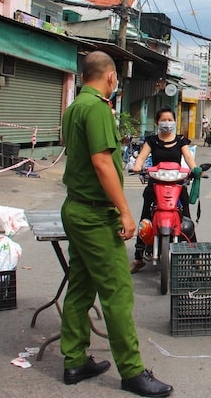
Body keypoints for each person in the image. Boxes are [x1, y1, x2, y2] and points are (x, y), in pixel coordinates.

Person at [60, 51, 173, 397]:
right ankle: (132, 371)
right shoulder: (96, 108)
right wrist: (125, 211)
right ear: (110, 77)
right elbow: (102, 163)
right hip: (94, 215)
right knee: (118, 292)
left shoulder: (75, 106)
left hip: (76, 208)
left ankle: (75, 358)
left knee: (81, 286)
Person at [130, 106, 198, 273]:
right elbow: (142, 156)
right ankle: (138, 258)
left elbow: (188, 157)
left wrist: (195, 170)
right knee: (145, 217)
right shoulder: (151, 140)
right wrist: (138, 166)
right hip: (155, 184)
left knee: (186, 217)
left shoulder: (181, 140)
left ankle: (195, 257)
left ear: (174, 121)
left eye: (170, 120)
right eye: (163, 120)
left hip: (177, 185)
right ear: (157, 122)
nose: (167, 123)